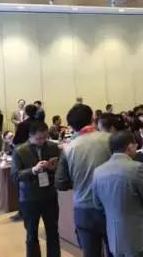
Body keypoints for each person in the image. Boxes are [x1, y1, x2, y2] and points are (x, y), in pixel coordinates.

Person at [55, 104, 112, 257]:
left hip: (83, 208)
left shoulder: (69, 148)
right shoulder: (110, 139)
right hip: (110, 205)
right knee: (115, 251)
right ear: (92, 118)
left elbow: (60, 183)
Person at [93, 131, 143, 257]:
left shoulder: (98, 172)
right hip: (139, 235)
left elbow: (97, 204)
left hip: (114, 236)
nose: (137, 146)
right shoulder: (137, 168)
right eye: (135, 144)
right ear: (129, 147)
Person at [11, 121, 61, 257]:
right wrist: (33, 170)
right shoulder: (20, 150)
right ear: (31, 136)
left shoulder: (52, 147)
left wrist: (52, 168)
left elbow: (60, 170)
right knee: (31, 234)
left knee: (53, 232)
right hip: (29, 198)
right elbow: (15, 176)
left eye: (45, 137)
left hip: (49, 195)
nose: (43, 141)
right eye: (39, 138)